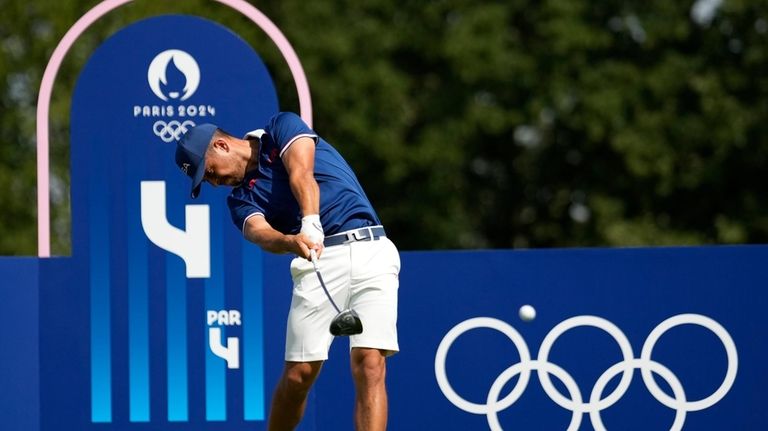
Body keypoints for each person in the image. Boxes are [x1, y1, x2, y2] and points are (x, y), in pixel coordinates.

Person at [174, 112, 400, 431]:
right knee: (298, 376)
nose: (213, 183)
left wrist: (311, 221)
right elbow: (258, 231)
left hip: (370, 247)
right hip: (314, 262)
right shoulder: (239, 200)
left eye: (209, 172)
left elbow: (301, 172)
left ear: (222, 145)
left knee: (370, 363)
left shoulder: (281, 128)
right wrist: (289, 241)